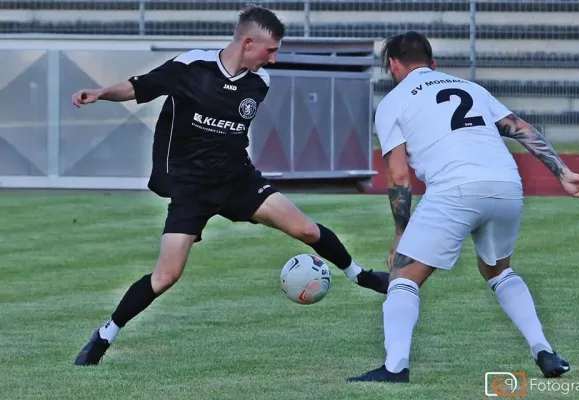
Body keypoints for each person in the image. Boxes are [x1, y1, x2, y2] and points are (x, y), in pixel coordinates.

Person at [71, 4, 389, 366]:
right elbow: (137, 87)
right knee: (166, 276)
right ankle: (104, 335)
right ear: (249, 42)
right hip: (191, 188)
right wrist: (100, 93)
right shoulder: (192, 66)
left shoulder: (259, 83)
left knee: (305, 228)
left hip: (238, 181)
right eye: (271, 50)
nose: (274, 59)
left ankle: (360, 275)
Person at [347, 31, 579, 383]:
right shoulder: (472, 88)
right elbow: (521, 129)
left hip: (455, 189)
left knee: (404, 278)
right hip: (507, 184)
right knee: (499, 271)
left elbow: (399, 174)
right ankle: (544, 350)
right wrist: (564, 173)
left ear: (393, 65)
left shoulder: (394, 100)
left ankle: (395, 368)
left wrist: (401, 233)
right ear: (433, 64)